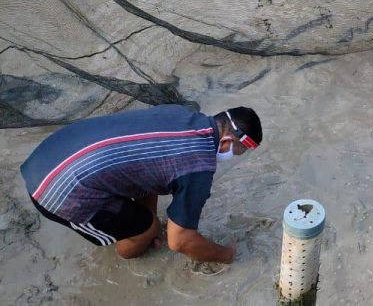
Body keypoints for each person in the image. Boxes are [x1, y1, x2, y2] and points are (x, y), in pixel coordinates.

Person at [20, 104, 262, 263]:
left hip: (51, 152)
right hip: (55, 190)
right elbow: (179, 242)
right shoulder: (199, 166)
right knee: (144, 232)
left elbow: (149, 170)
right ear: (227, 142)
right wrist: (227, 254)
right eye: (238, 152)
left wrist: (151, 219)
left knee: (147, 224)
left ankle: (141, 229)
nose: (234, 157)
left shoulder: (183, 114)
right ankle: (131, 246)